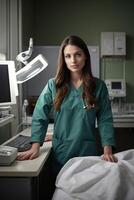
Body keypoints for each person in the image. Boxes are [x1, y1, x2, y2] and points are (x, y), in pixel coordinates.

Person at [17, 35, 117, 180]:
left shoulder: (98, 86)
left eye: (78, 54)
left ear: (85, 57)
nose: (73, 60)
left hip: (87, 151)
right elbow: (40, 115)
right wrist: (35, 145)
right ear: (63, 59)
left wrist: (107, 149)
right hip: (62, 152)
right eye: (68, 56)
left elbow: (105, 119)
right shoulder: (53, 85)